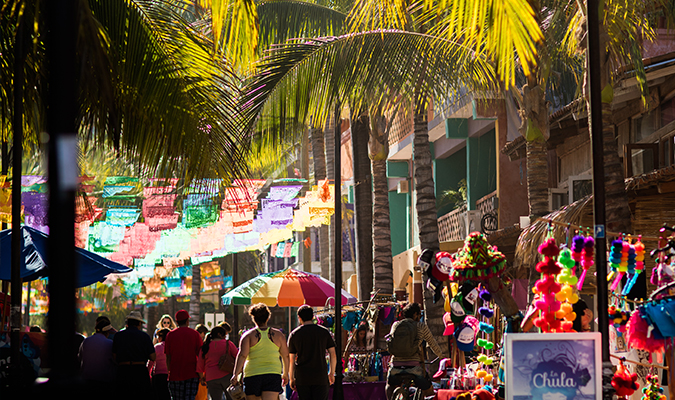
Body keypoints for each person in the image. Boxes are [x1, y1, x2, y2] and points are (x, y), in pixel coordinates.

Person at [231, 303, 290, 400]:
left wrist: (235, 374)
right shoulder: (278, 335)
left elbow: (242, 355)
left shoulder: (247, 336)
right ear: (268, 318)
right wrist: (285, 373)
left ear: (253, 318)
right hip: (272, 373)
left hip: (252, 375)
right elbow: (285, 356)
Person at [385, 303, 444, 400]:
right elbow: (432, 343)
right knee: (429, 390)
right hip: (414, 368)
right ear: (415, 314)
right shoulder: (421, 326)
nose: (420, 316)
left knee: (389, 384)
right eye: (419, 314)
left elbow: (390, 343)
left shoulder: (395, 325)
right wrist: (442, 357)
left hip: (396, 365)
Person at [287, 305, 336, 400]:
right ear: (313, 316)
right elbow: (332, 354)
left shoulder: (294, 334)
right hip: (320, 376)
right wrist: (331, 373)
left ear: (299, 318)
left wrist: (292, 378)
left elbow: (291, 360)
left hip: (302, 377)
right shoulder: (324, 332)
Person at [112, 311, 156, 399]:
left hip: (123, 372)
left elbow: (114, 357)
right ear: (139, 323)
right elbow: (153, 357)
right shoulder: (145, 336)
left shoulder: (118, 336)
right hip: (140, 372)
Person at [165, 309, 203, 400]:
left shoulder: (170, 335)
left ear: (176, 322)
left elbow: (168, 356)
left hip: (175, 375)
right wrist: (202, 375)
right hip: (192, 374)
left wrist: (169, 371)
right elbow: (200, 355)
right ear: (187, 321)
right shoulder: (195, 334)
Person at [197, 326, 238, 400]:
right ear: (220, 334)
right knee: (231, 398)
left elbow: (199, 365)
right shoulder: (228, 344)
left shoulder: (205, 347)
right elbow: (238, 356)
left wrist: (202, 378)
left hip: (211, 377)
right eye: (224, 335)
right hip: (226, 375)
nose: (225, 337)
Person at [79, 317, 116, 395]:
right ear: (107, 332)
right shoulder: (110, 343)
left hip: (86, 380)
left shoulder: (86, 341)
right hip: (104, 382)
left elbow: (80, 358)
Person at [148, 328, 171, 400]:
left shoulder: (156, 347)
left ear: (161, 337)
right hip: (170, 377)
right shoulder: (172, 347)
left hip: (158, 377)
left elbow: (150, 364)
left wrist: (149, 376)